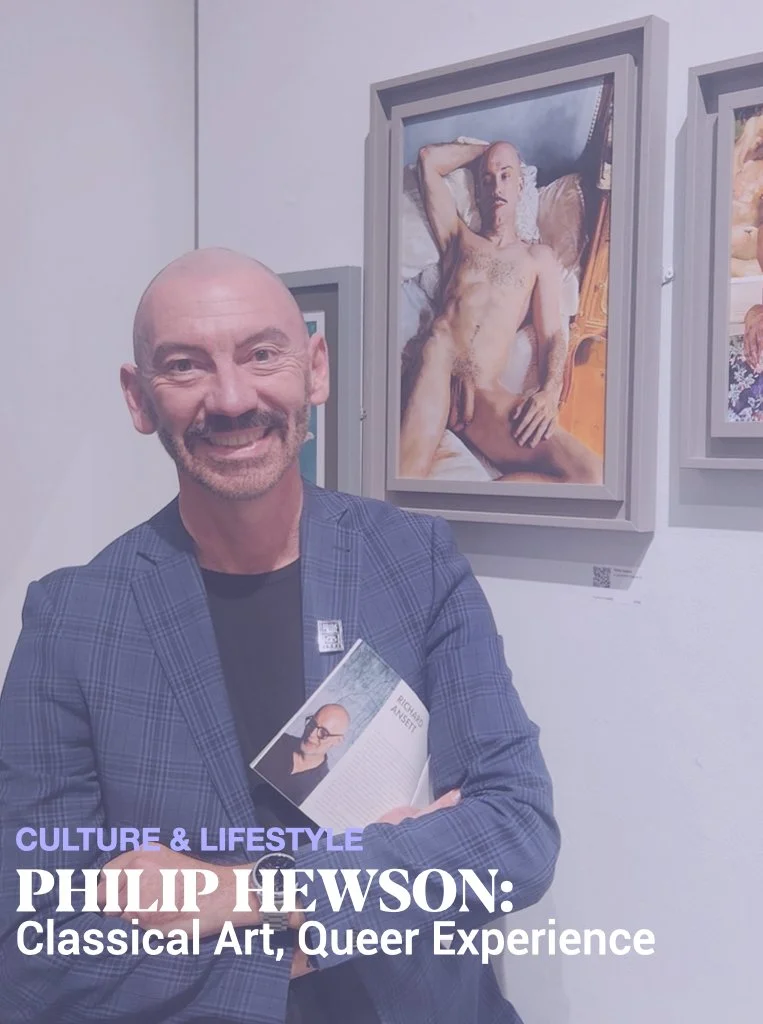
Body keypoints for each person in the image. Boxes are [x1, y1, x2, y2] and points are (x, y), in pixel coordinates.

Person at [0, 247, 560, 1024]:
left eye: (263, 354)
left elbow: (514, 833)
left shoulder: (414, 565)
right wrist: (374, 890)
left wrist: (249, 892)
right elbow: (32, 939)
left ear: (315, 370)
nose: (232, 398)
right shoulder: (74, 621)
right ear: (138, 399)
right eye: (185, 366)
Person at [400, 139, 602, 483]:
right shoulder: (459, 239)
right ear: (477, 190)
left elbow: (553, 334)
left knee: (589, 476)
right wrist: (488, 151)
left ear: (522, 184)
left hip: (483, 396)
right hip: (439, 364)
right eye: (488, 179)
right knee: (405, 481)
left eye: (507, 176)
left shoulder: (538, 258)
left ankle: (469, 516)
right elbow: (428, 160)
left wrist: (550, 393)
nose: (497, 187)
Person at [254, 704, 350, 805]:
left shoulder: (321, 789)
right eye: (312, 724)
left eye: (323, 733)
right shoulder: (277, 741)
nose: (311, 734)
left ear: (338, 741)